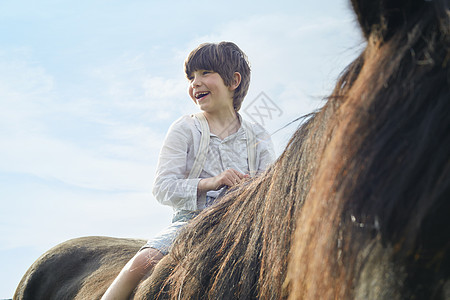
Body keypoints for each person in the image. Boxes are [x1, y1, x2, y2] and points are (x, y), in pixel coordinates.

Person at [101, 41, 275, 299]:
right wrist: (211, 182)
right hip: (190, 225)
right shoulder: (185, 129)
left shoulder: (258, 136)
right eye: (191, 77)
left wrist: (249, 190)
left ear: (234, 81)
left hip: (244, 229)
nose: (195, 83)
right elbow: (162, 188)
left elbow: (271, 193)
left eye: (205, 73)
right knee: (142, 262)